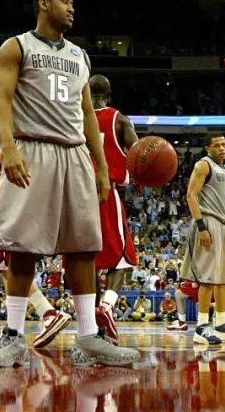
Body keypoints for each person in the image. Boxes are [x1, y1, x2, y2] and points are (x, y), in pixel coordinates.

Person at [0, 0, 140, 368]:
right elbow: (1, 100)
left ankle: (88, 337)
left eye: (73, 3)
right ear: (43, 4)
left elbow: (87, 114)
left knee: (83, 247)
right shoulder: (15, 47)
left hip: (75, 154)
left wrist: (101, 166)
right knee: (21, 247)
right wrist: (9, 145)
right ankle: (14, 336)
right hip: (32, 148)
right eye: (65, 2)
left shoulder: (79, 55)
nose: (72, 8)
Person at [0, 169, 71, 348]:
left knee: (12, 268)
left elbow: (17, 174)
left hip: (15, 208)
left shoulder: (13, 143)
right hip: (15, 206)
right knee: (6, 270)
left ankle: (46, 314)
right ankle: (19, 323)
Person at [180, 134, 225, 346]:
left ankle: (222, 322)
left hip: (221, 225)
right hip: (207, 221)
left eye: (224, 145)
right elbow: (191, 196)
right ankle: (201, 327)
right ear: (208, 148)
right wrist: (200, 226)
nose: (222, 148)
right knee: (208, 278)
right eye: (217, 145)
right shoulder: (203, 165)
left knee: (223, 278)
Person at [89, 74, 140, 342]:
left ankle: (92, 328)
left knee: (87, 262)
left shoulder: (74, 116)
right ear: (109, 94)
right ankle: (106, 306)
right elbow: (140, 154)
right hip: (105, 192)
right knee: (123, 259)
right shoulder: (119, 119)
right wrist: (143, 177)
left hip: (75, 195)